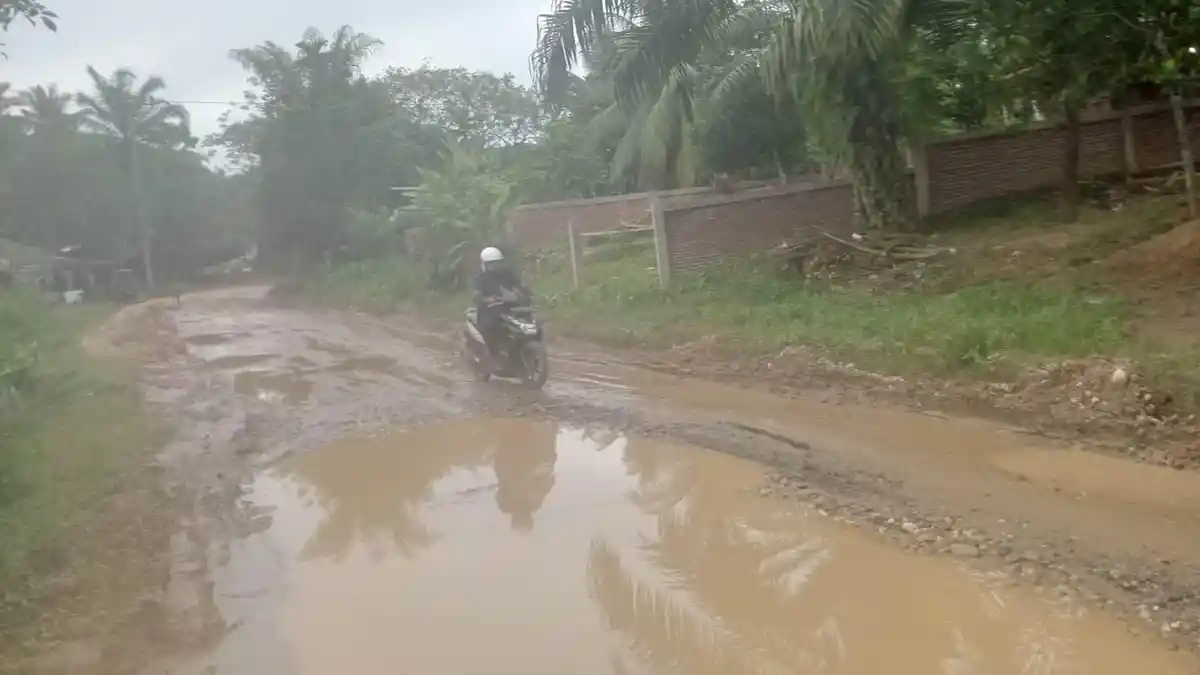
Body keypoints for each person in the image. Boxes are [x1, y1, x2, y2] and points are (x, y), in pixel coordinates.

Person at [472, 247, 528, 357]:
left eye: (496, 263)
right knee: (489, 327)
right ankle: (492, 353)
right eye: (490, 264)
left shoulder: (508, 274)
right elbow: (476, 295)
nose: (494, 266)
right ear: (484, 264)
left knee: (528, 321)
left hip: (510, 307)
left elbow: (519, 286)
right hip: (489, 309)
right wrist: (489, 299)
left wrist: (523, 294)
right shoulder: (480, 278)